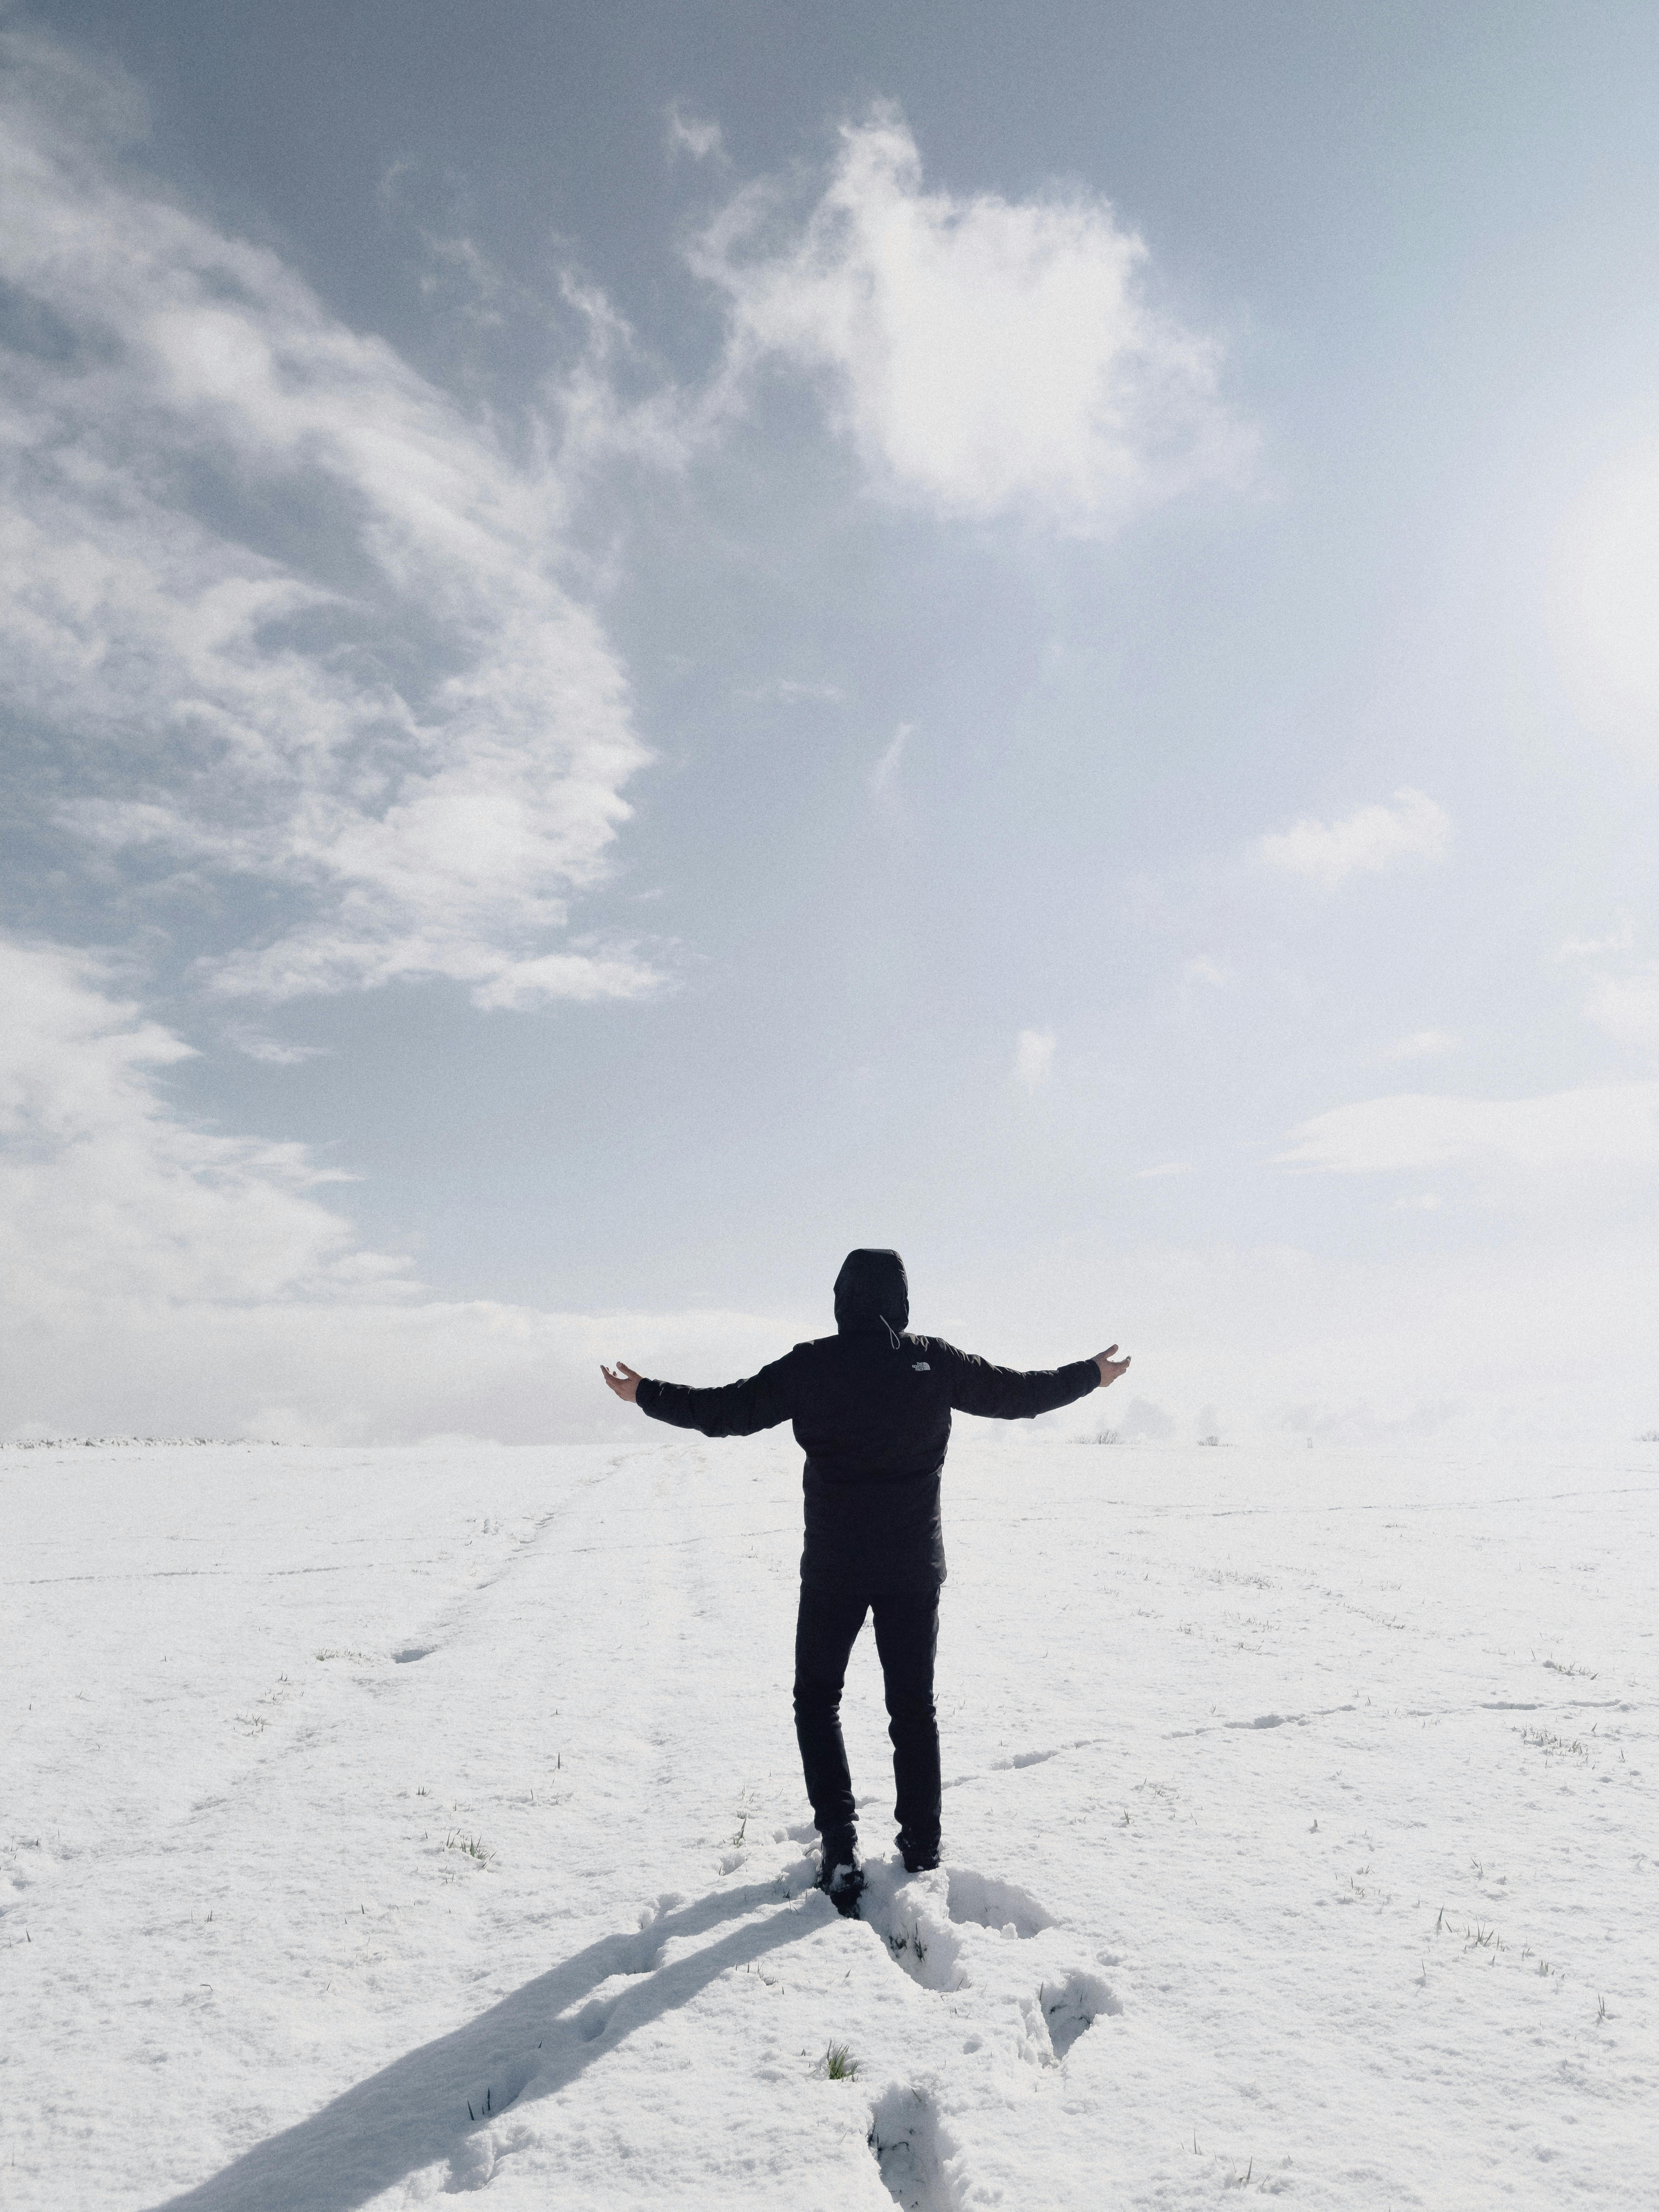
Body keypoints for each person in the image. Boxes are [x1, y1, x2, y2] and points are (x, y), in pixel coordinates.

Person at [601, 1248, 1130, 1913]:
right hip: (913, 1569)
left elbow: (726, 1411)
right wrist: (1092, 1376)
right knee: (913, 1709)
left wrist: (644, 1393)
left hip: (835, 1571)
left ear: (841, 1299)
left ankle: (842, 1846)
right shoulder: (932, 1361)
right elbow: (1019, 1395)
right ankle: (922, 1848)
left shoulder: (813, 1364)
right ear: (902, 1301)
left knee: (817, 1700)